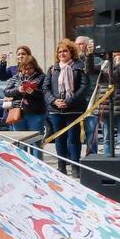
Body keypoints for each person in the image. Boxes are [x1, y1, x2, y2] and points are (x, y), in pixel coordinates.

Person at [43, 39, 89, 175]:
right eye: (59, 52)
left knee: (73, 139)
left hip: (74, 109)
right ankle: (61, 166)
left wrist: (68, 101)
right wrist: (54, 101)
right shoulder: (52, 69)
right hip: (56, 110)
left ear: (71, 52)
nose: (62, 54)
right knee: (59, 139)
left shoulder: (79, 67)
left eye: (65, 51)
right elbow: (45, 88)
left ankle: (75, 167)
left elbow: (84, 87)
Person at [3, 55, 47, 133]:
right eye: (24, 69)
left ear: (35, 67)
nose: (26, 71)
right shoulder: (17, 77)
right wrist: (18, 90)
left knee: (35, 137)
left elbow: (46, 93)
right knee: (19, 138)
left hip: (35, 112)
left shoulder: (42, 77)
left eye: (29, 69)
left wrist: (33, 92)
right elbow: (6, 91)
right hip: (18, 111)